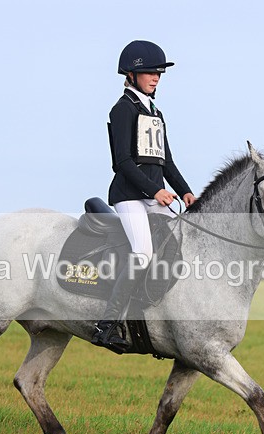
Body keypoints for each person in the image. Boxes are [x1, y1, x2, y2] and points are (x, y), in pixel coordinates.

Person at [91, 40, 197, 354]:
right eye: (149, 72)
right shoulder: (122, 109)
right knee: (142, 253)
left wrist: (186, 192)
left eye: (158, 74)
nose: (155, 78)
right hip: (129, 197)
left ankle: (159, 310)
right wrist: (156, 191)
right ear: (132, 74)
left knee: (180, 244)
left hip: (154, 197)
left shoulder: (156, 112)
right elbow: (121, 162)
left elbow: (167, 163)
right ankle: (106, 325)